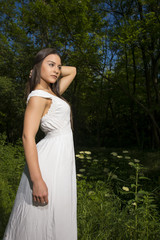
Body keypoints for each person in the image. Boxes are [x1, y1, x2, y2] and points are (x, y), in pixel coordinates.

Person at [3, 48, 77, 240]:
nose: (57, 70)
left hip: (61, 160)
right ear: (38, 66)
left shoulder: (52, 92)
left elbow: (74, 70)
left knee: (57, 213)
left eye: (58, 66)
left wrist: (49, 67)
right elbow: (27, 137)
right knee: (40, 216)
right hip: (50, 161)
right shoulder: (38, 97)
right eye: (50, 65)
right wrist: (36, 180)